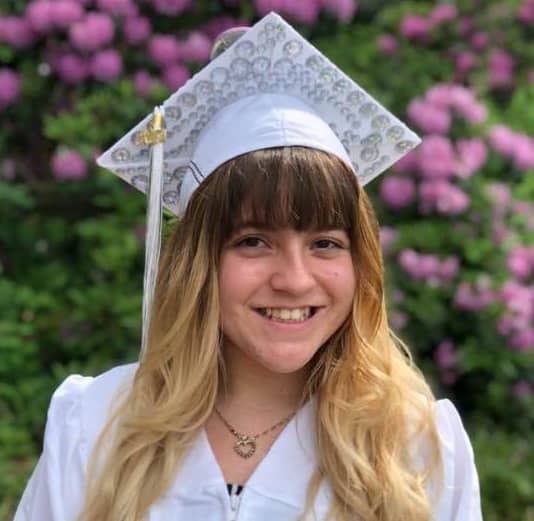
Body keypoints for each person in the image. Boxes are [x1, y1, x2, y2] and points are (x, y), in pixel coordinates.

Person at [14, 12, 482, 521]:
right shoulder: (95, 426)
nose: (294, 279)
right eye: (254, 241)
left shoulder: (419, 449)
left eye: (325, 243)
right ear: (199, 260)